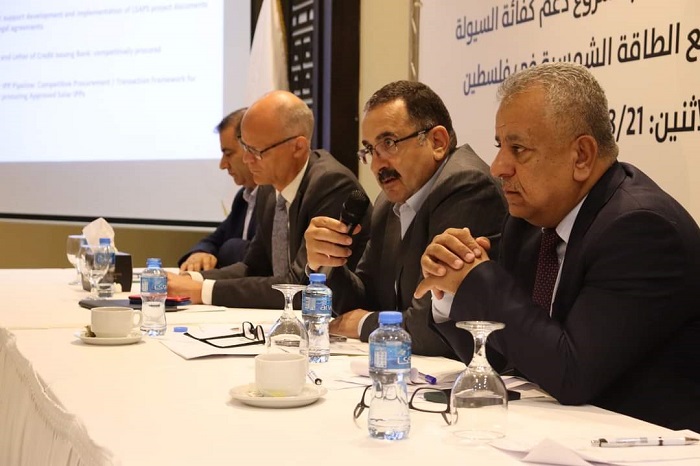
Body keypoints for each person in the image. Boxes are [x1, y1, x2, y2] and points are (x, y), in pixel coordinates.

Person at [415, 62, 700, 431]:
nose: (498, 167)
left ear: (581, 156)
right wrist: (449, 287)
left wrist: (479, 279)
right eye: (500, 146)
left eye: (518, 149)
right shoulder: (528, 222)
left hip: (646, 440)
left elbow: (571, 373)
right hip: (563, 432)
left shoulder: (640, 229)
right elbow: (501, 356)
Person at [304, 81, 506, 356]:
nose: (377, 165)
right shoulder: (389, 202)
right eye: (370, 150)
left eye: (388, 143)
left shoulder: (466, 186)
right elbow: (364, 298)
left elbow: (435, 329)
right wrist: (325, 263)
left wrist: (363, 324)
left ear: (437, 142)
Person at [168, 90, 371, 308]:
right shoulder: (268, 188)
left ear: (298, 147)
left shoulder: (331, 184)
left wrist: (203, 291)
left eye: (257, 151)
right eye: (245, 147)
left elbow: (301, 286)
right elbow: (254, 268)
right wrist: (193, 279)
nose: (247, 159)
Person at [178, 108, 259, 272]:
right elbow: (215, 239)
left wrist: (228, 248)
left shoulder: (278, 198)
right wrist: (201, 253)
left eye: (228, 154)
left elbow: (257, 258)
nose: (222, 165)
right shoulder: (244, 197)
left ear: (251, 149)